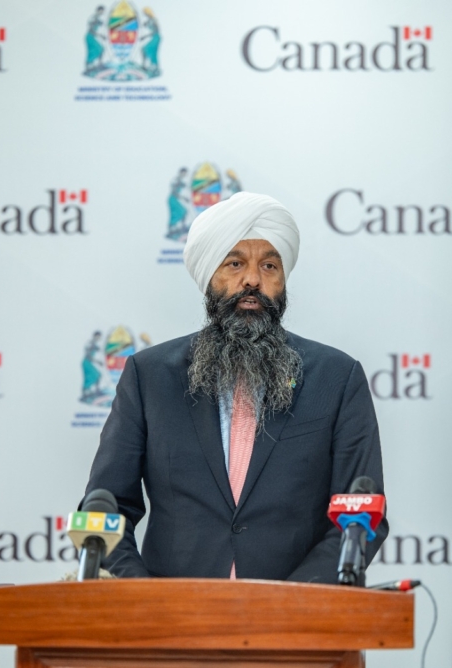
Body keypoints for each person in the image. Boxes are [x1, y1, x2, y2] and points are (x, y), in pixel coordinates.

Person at [83, 192, 388, 582]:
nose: (252, 280)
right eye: (235, 263)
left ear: (283, 280)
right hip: (171, 624)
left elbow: (362, 518)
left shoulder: (337, 377)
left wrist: (291, 605)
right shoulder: (149, 376)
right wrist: (144, 602)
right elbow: (107, 511)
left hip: (298, 625)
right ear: (209, 276)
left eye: (269, 265)